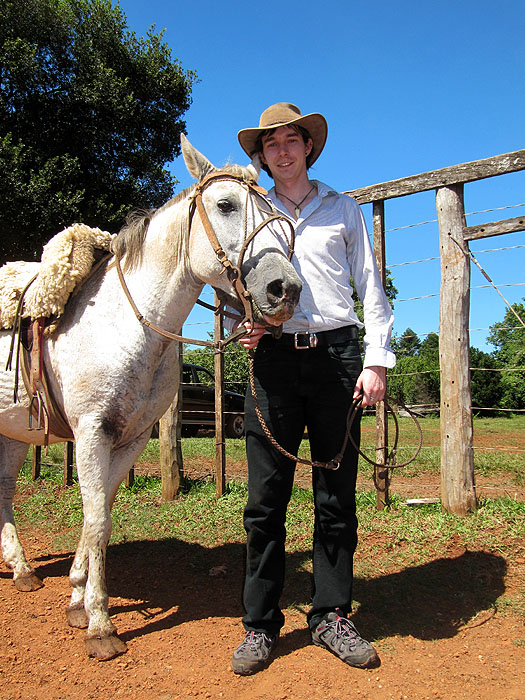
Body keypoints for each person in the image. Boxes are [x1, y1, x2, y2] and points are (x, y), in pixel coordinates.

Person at [230, 102, 395, 675]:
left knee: (335, 497)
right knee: (265, 500)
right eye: (270, 143)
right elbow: (236, 292)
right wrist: (241, 326)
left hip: (338, 357)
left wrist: (375, 361)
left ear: (307, 147)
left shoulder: (343, 209)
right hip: (274, 361)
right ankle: (259, 625)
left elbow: (372, 288)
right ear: (263, 155)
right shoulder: (250, 214)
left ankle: (331, 615)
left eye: (291, 140)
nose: (281, 150)